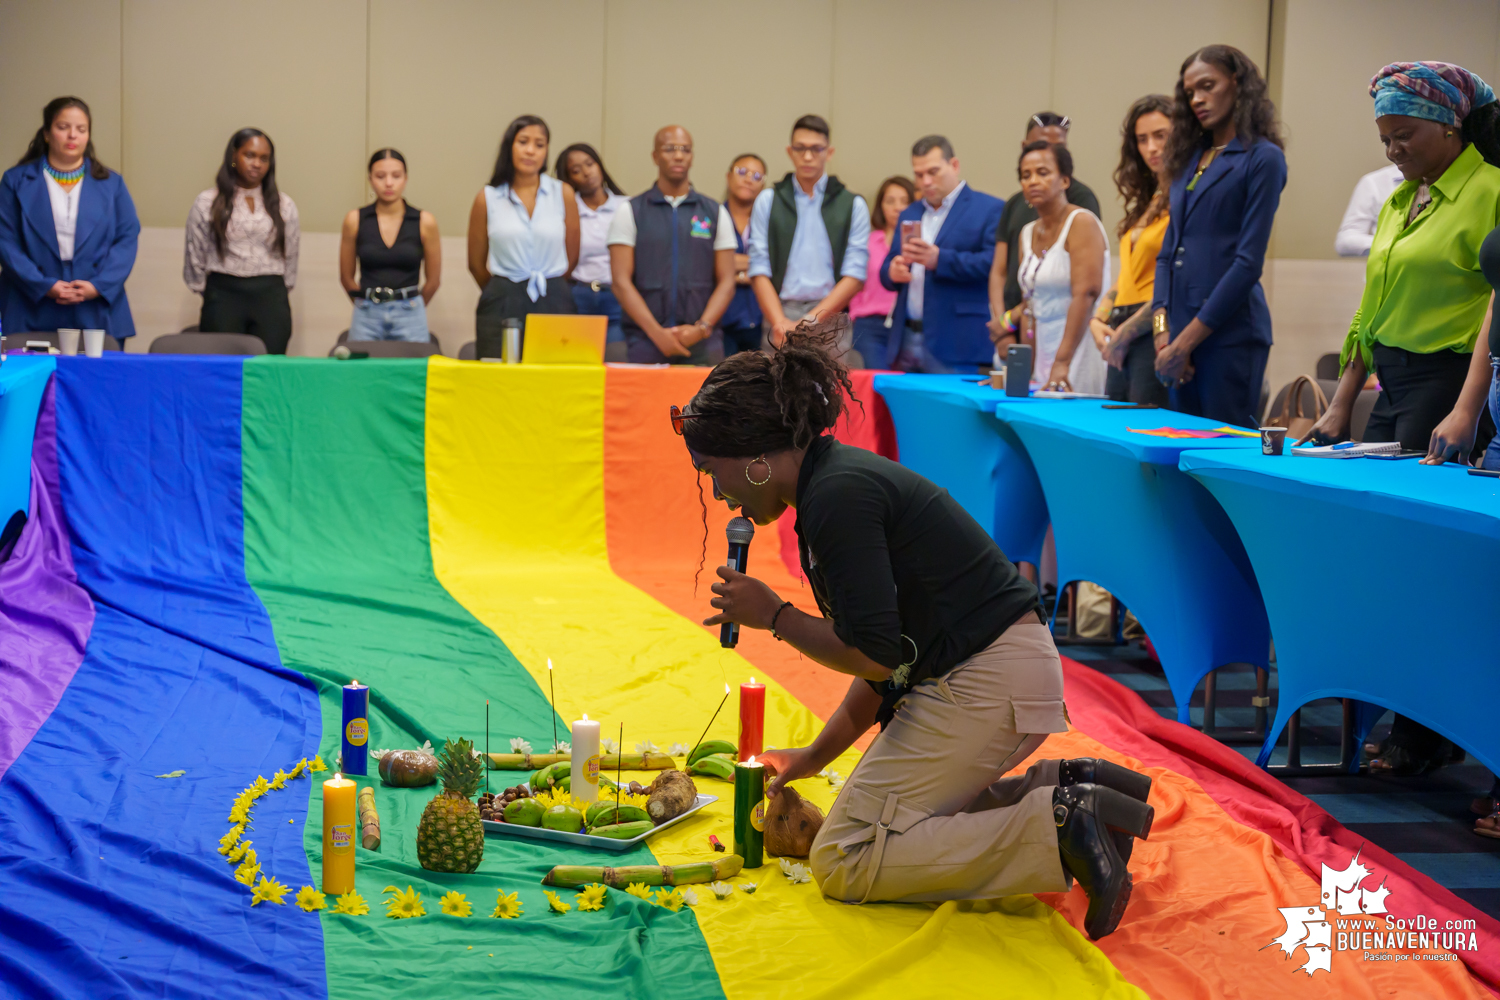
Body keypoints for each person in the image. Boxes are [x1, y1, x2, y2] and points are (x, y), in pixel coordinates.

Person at [676, 321, 1155, 940]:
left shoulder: (836, 499)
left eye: (715, 470)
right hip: (996, 672)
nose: (719, 493)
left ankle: (1062, 825)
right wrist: (813, 757)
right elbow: (892, 664)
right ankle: (1074, 791)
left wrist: (775, 617)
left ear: (758, 459)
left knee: (846, 854)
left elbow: (873, 657)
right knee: (901, 819)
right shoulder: (832, 486)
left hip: (989, 680)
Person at [1305, 62, 1500, 776]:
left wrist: (1466, 406)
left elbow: (1495, 308)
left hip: (1448, 387)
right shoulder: (1400, 200)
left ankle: (1429, 734)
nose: (1394, 151)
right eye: (1385, 138)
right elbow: (1369, 306)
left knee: (1426, 568)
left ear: (1450, 126)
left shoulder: (1490, 191)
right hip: (1395, 384)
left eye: (1406, 136)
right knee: (1386, 560)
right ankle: (1401, 712)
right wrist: (1340, 398)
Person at [1151, 45, 1287, 428]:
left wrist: (1185, 343)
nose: (1197, 99)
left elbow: (1247, 264)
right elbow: (1166, 255)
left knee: (1218, 462)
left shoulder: (1263, 158)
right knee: (1176, 457)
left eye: (1207, 86)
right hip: (1176, 339)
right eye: (1189, 91)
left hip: (1230, 337)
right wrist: (1163, 335)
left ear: (1238, 83)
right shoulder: (1187, 159)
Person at [0, 96, 139, 347]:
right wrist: (43, 284)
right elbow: (6, 242)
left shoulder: (112, 183)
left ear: (88, 135)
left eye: (81, 129)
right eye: (63, 127)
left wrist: (98, 285)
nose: (72, 135)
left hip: (95, 304)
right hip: (30, 301)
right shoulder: (15, 181)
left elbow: (127, 239)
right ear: (46, 133)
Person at [607, 125, 737, 365]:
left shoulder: (715, 212)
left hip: (703, 341)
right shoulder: (630, 211)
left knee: (705, 403)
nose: (678, 155)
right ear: (655, 156)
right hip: (644, 340)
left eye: (685, 149)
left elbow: (727, 282)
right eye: (670, 149)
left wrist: (701, 328)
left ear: (692, 156)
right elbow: (620, 282)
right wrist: (657, 334)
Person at [880, 136, 1004, 373]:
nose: (926, 181)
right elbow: (887, 266)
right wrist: (892, 271)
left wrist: (940, 260)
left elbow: (993, 265)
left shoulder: (988, 209)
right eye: (919, 174)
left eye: (933, 172)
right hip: (905, 337)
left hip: (957, 342)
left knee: (952, 409)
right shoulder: (910, 212)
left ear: (954, 166)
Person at [748, 116, 870, 350]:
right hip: (779, 315)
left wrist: (810, 321)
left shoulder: (852, 204)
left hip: (830, 316)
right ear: (789, 151)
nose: (807, 156)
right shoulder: (769, 200)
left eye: (816, 149)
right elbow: (758, 266)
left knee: (830, 387)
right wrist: (779, 321)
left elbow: (855, 275)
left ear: (829, 152)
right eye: (800, 148)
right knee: (777, 386)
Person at [468, 115, 579, 360]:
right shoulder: (488, 197)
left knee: (555, 376)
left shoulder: (563, 193)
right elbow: (476, 264)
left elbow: (571, 256)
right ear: (509, 147)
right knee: (499, 379)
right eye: (523, 142)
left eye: (539, 145)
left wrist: (552, 285)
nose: (531, 151)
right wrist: (504, 289)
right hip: (503, 297)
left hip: (554, 297)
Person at [184, 128, 300, 354]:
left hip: (270, 297)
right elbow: (194, 254)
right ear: (234, 157)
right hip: (223, 295)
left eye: (264, 158)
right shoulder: (207, 202)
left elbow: (291, 254)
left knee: (269, 370)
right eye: (250, 155)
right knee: (223, 372)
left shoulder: (285, 204)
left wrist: (277, 289)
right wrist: (209, 291)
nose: (257, 163)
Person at [1091, 96, 1173, 405]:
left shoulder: (1187, 199)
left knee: (1143, 434)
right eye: (1142, 139)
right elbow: (1128, 276)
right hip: (1121, 325)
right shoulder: (1150, 200)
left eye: (1160, 135)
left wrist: (1126, 331)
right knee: (1115, 433)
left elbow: (1177, 281)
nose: (1151, 147)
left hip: (1154, 325)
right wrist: (1099, 319)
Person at [988, 112, 1102, 333]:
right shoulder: (1018, 210)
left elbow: (1083, 290)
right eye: (1027, 175)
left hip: (1064, 327)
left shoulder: (1081, 206)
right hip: (1023, 325)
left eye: (1059, 147)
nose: (1050, 153)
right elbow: (1000, 272)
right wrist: (1004, 325)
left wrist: (1008, 323)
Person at [1013, 142, 1109, 393]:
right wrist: (1025, 369)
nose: (1033, 181)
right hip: (1043, 352)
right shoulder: (1027, 233)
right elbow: (1029, 306)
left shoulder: (1081, 222)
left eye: (1043, 173)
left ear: (1065, 180)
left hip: (1078, 351)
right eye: (1026, 175)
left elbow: (1086, 295)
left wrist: (1062, 362)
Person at [339, 149, 440, 343]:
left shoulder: (424, 221)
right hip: (367, 313)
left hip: (410, 312)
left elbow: (433, 281)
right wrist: (364, 304)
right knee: (362, 372)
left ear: (406, 178)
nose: (388, 183)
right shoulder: (355, 220)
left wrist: (413, 306)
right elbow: (346, 277)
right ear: (370, 179)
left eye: (396, 176)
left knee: (412, 372)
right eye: (380, 176)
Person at [558, 142, 628, 349]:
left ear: (599, 165)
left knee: (617, 359)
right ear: (569, 178)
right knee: (577, 359)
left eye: (590, 164)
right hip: (578, 293)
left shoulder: (626, 206)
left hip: (616, 294)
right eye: (576, 170)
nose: (587, 173)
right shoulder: (564, 209)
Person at [847, 176, 915, 367]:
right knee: (876, 381)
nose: (898, 208)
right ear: (880, 206)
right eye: (890, 201)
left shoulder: (920, 245)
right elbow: (854, 281)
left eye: (905, 201)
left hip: (905, 326)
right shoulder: (867, 242)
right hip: (870, 326)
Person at [720, 154, 767, 356]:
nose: (749, 179)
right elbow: (708, 263)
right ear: (728, 176)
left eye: (757, 176)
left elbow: (775, 264)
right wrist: (756, 272)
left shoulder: (769, 222)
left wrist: (730, 271)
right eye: (742, 172)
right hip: (720, 321)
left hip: (760, 320)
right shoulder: (713, 216)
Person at [1335, 163, 1404, 256]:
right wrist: (1395, 244)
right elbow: (1345, 240)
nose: (1393, 152)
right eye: (1388, 147)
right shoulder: (1375, 182)